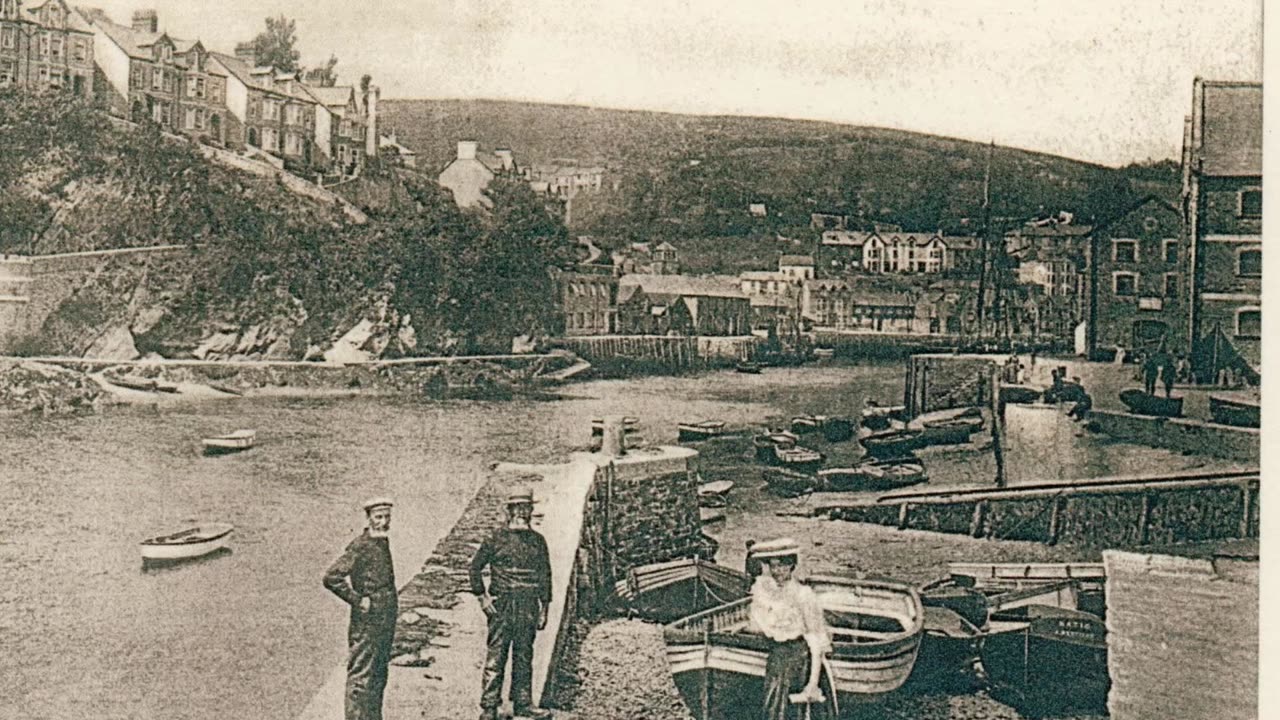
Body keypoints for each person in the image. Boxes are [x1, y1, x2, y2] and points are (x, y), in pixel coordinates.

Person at [470, 489, 553, 720]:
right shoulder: (496, 538)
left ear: (531, 510)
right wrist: (482, 597)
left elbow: (545, 576)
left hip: (528, 605)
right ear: (510, 510)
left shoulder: (538, 541)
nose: (522, 512)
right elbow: (474, 568)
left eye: (526, 508)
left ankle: (523, 703)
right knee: (496, 656)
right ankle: (489, 707)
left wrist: (544, 608)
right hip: (502, 604)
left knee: (524, 655)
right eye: (517, 508)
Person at [324, 498, 399, 720]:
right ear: (368, 518)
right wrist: (358, 600)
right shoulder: (361, 545)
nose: (383, 522)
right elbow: (332, 577)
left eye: (387, 517)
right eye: (378, 517)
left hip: (385, 617)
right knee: (361, 676)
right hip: (367, 620)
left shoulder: (381, 541)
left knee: (379, 674)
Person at [747, 538, 834, 720]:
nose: (777, 571)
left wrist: (812, 683)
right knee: (772, 706)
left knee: (793, 711)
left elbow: (815, 640)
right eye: (773, 566)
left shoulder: (803, 595)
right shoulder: (768, 593)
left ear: (792, 565)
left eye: (782, 566)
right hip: (777, 658)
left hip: (798, 659)